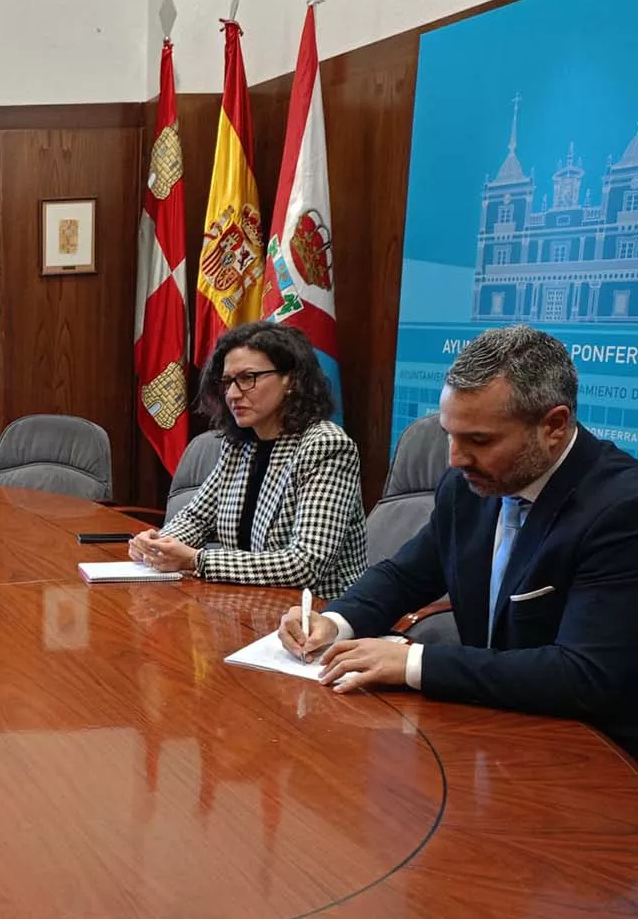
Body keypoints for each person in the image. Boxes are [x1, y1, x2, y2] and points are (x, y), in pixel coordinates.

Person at [279, 325, 638, 752]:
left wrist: (414, 662)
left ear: (554, 426)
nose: (455, 458)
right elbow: (406, 574)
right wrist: (335, 624)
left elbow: (584, 674)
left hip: (591, 752)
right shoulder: (467, 484)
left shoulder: (620, 508)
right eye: (449, 435)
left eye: (479, 440)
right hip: (490, 727)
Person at [130, 321, 367, 600]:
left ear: (291, 380)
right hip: (250, 603)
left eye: (247, 378)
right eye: (228, 381)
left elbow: (305, 563)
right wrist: (157, 545)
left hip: (316, 615)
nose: (232, 394)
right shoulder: (239, 444)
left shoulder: (326, 446)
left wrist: (196, 560)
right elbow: (197, 518)